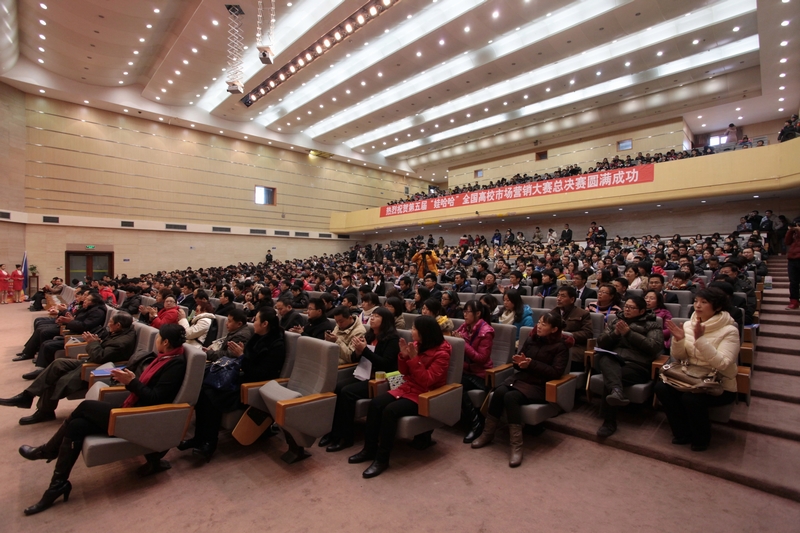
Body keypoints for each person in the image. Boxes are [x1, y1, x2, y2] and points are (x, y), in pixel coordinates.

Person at [18, 323, 188, 515]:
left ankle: (48, 450)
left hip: (138, 418)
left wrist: (132, 382)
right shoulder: (164, 358)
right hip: (133, 409)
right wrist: (132, 380)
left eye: (158, 337)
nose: (156, 340)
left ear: (166, 342)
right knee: (77, 425)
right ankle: (57, 485)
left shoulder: (175, 364)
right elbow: (148, 388)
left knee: (85, 407)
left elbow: (156, 398)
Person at [347, 315, 451, 478]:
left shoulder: (442, 354)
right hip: (407, 388)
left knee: (390, 411)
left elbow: (427, 381)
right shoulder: (416, 345)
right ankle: (369, 449)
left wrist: (414, 358)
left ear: (425, 332)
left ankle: (382, 459)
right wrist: (403, 356)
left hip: (425, 395)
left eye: (414, 328)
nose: (411, 331)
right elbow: (403, 373)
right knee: (375, 404)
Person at [181, 307, 285, 461]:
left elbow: (261, 373)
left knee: (211, 396)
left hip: (254, 386)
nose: (253, 322)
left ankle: (209, 443)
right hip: (242, 377)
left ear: (265, 324)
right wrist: (242, 357)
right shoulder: (256, 337)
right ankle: (199, 438)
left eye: (256, 319)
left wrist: (241, 357)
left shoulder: (277, 344)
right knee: (204, 389)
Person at [0, 312, 137, 425]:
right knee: (58, 364)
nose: (108, 324)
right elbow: (105, 351)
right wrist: (97, 342)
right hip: (92, 361)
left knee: (56, 379)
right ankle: (27, 395)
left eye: (110, 322)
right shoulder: (120, 332)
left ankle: (44, 411)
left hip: (99, 368)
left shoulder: (122, 341)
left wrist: (93, 343)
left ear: (118, 325)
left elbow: (100, 357)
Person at [471, 314, 570, 467]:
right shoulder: (531, 339)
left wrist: (531, 364)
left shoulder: (561, 347)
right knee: (499, 391)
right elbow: (519, 361)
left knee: (511, 397)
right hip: (522, 379)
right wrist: (519, 363)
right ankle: (487, 434)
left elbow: (556, 372)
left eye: (544, 324)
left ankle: (516, 445)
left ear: (554, 329)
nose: (539, 326)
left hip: (540, 385)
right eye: (539, 322)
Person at [656, 288, 739, 451]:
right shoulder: (688, 325)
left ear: (717, 307)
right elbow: (679, 357)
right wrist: (679, 340)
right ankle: (681, 432)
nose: (697, 305)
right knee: (661, 388)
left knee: (691, 398)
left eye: (704, 302)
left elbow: (723, 363)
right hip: (690, 377)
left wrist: (700, 339)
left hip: (717, 384)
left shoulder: (730, 330)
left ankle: (701, 438)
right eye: (696, 301)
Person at [321, 307, 400, 452]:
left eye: (377, 316)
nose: (372, 318)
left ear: (386, 321)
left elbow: (385, 364)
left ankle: (346, 437)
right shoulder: (370, 335)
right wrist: (358, 352)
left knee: (347, 392)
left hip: (380, 380)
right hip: (364, 374)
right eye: (372, 315)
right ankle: (334, 432)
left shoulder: (392, 339)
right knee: (338, 387)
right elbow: (356, 358)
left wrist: (364, 350)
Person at [594, 296, 663, 438]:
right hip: (614, 360)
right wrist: (615, 334)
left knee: (611, 378)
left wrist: (629, 333)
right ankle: (616, 392)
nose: (627, 310)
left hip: (637, 365)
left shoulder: (652, 325)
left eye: (631, 308)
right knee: (605, 359)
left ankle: (609, 422)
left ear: (642, 311)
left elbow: (654, 347)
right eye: (626, 306)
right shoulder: (616, 321)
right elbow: (601, 341)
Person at [454, 300, 495, 443]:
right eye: (464, 311)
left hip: (481, 374)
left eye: (468, 312)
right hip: (466, 370)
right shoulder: (465, 326)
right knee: (449, 381)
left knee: (457, 386)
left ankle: (476, 424)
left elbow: (481, 359)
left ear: (478, 313)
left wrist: (463, 344)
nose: (464, 315)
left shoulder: (486, 332)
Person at [787, 222, 800, 310]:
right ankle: (794, 302)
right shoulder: (794, 233)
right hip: (792, 259)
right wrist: (790, 231)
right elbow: (787, 241)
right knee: (793, 282)